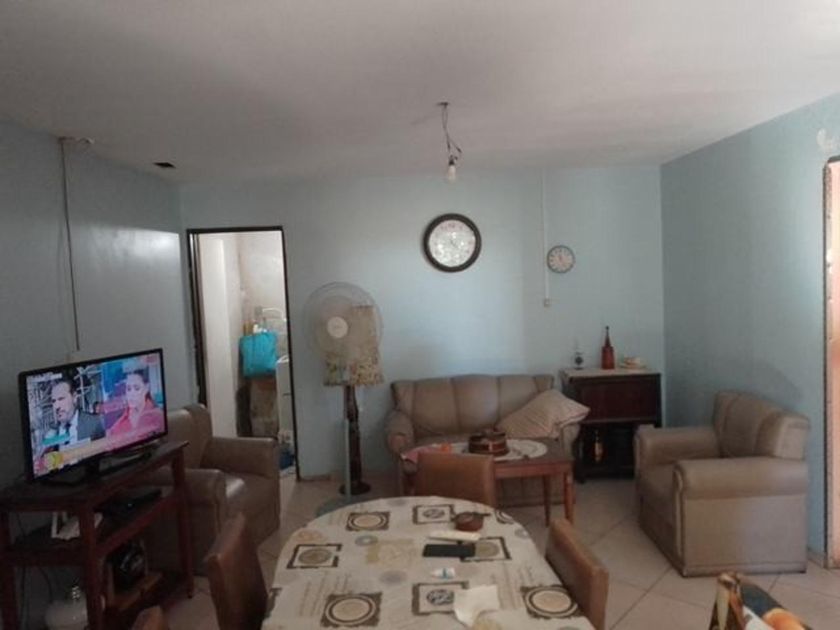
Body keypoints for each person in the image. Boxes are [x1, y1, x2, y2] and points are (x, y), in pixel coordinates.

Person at [108, 369, 164, 436]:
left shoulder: (158, 415)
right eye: (128, 389)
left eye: (137, 388)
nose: (131, 394)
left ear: (146, 388)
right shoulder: (117, 426)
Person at [49, 376, 105, 442]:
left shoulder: (95, 424)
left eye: (61, 399)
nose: (56, 406)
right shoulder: (52, 433)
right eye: (53, 401)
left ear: (74, 397)